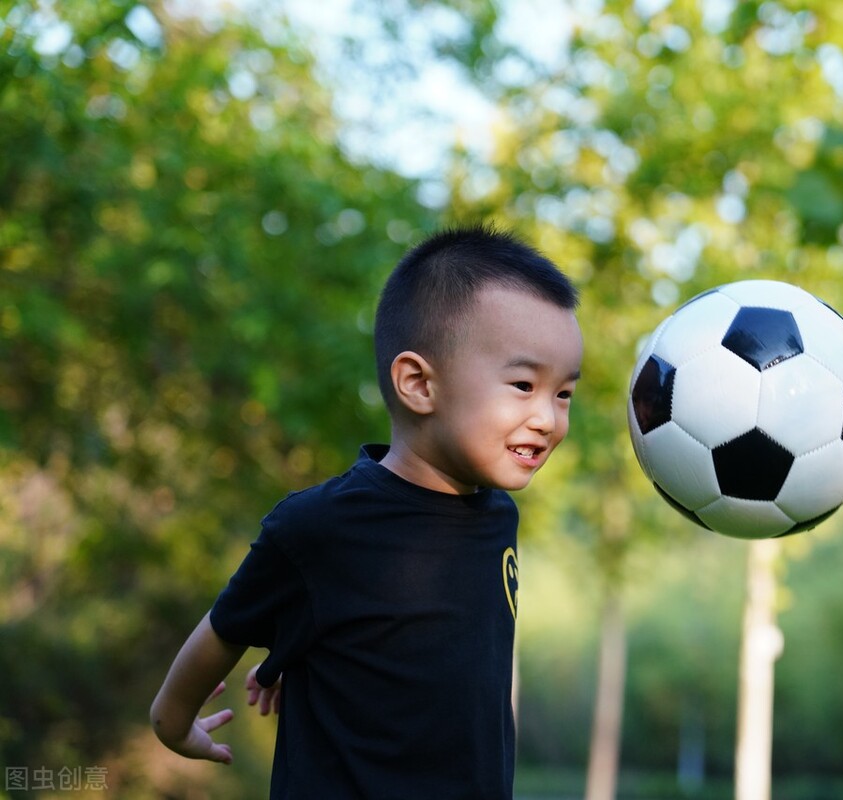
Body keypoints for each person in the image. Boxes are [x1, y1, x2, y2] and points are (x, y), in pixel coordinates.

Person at [149, 224, 583, 799]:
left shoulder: (499, 514)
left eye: (564, 394)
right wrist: (174, 724)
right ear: (418, 384)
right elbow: (223, 631)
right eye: (524, 385)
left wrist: (315, 653)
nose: (549, 419)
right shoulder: (319, 527)